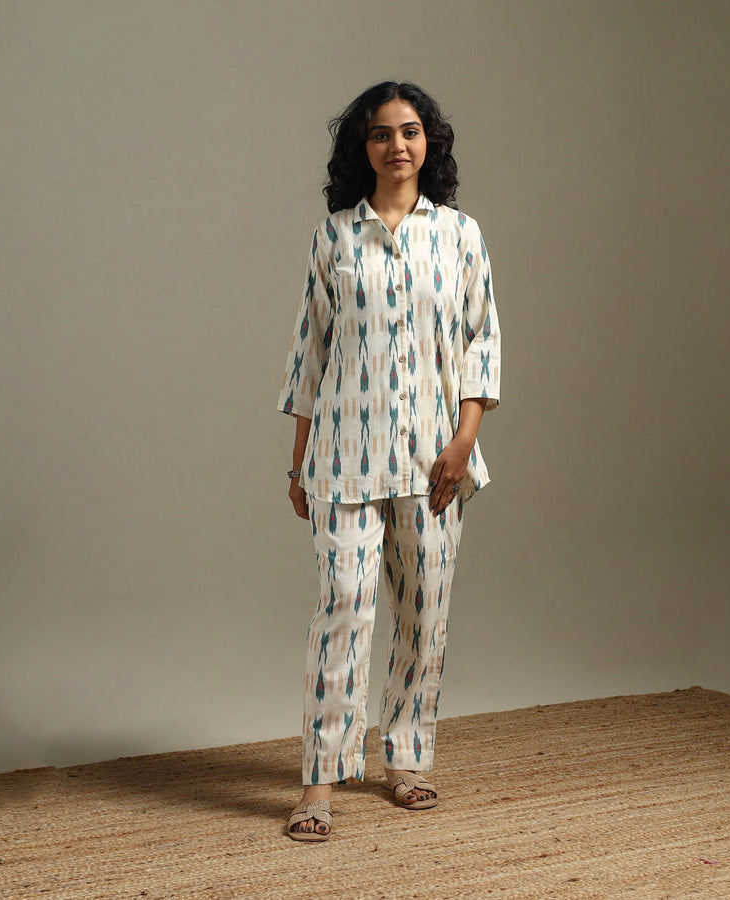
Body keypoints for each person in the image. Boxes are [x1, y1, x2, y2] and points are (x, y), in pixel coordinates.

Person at [276, 81, 500, 841]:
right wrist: (298, 462)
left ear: (428, 142)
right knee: (342, 610)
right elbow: (310, 353)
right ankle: (318, 781)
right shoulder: (334, 237)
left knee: (423, 614)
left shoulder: (460, 234)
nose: (396, 145)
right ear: (362, 147)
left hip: (436, 461)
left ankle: (407, 759)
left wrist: (464, 441)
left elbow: (482, 341)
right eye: (380, 133)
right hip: (342, 457)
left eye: (409, 131)